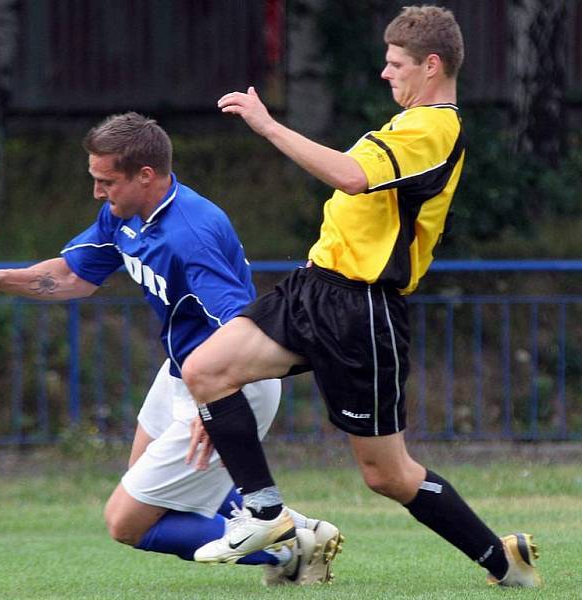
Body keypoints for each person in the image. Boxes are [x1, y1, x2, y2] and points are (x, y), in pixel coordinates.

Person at [181, 5, 541, 588]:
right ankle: (266, 515)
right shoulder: (407, 124)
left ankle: (505, 562)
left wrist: (268, 125)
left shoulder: (434, 129)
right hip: (313, 288)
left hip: (360, 312)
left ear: (431, 65)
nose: (384, 72)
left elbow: (350, 175)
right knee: (205, 371)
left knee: (387, 474)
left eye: (395, 62)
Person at [0, 112, 343, 586]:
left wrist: (218, 406)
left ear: (146, 175)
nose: (98, 192)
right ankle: (300, 530)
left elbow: (243, 326)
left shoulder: (190, 234)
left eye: (106, 181)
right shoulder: (125, 214)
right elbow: (75, 277)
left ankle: (288, 551)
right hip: (182, 371)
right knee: (150, 486)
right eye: (95, 180)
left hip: (232, 379)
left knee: (126, 521)